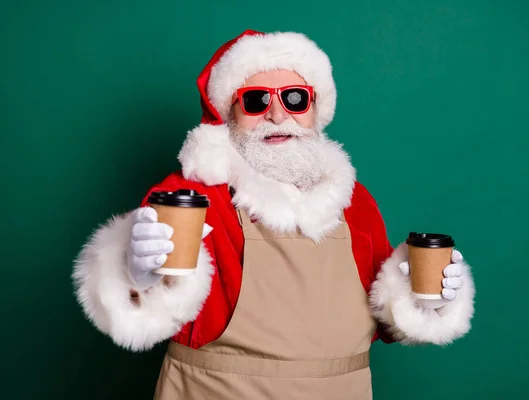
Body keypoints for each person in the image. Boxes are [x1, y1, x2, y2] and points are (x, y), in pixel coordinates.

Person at [72, 29, 475, 400]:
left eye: (294, 98)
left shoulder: (353, 201)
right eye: (256, 100)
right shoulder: (194, 196)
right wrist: (136, 279)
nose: (278, 115)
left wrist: (428, 302)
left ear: (316, 109)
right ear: (230, 114)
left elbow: (386, 316)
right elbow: (149, 305)